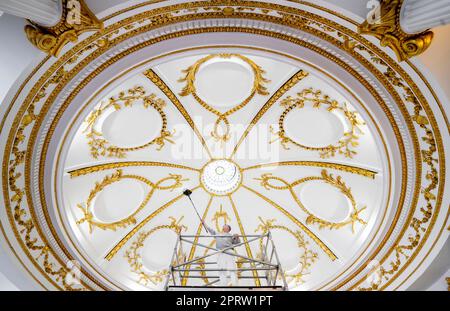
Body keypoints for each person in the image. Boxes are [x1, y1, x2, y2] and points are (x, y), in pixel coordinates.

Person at [201, 221, 240, 286]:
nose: (224, 225)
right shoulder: (217, 233)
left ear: (228, 229)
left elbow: (238, 243)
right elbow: (211, 230)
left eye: (226, 225)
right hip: (220, 253)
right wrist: (204, 223)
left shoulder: (231, 236)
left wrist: (237, 237)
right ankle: (223, 287)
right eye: (224, 225)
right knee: (221, 271)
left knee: (232, 269)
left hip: (229, 252)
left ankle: (235, 285)